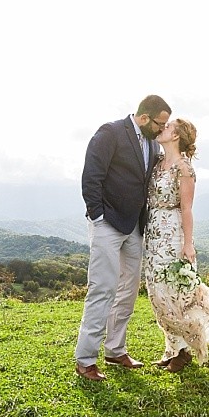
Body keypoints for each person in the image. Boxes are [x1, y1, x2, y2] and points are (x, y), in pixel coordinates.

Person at [75, 95, 171, 381]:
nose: (162, 129)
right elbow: (91, 176)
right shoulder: (110, 133)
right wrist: (98, 216)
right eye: (159, 123)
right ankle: (85, 359)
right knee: (102, 288)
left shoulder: (152, 143)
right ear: (144, 117)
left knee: (127, 292)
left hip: (134, 227)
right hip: (108, 224)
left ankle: (115, 350)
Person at [142, 119, 209, 372]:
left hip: (173, 234)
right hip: (153, 234)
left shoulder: (184, 168)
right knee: (157, 293)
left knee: (175, 293)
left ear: (177, 136)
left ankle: (184, 352)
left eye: (168, 127)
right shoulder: (158, 162)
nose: (162, 129)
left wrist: (188, 244)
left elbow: (187, 209)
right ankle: (172, 348)